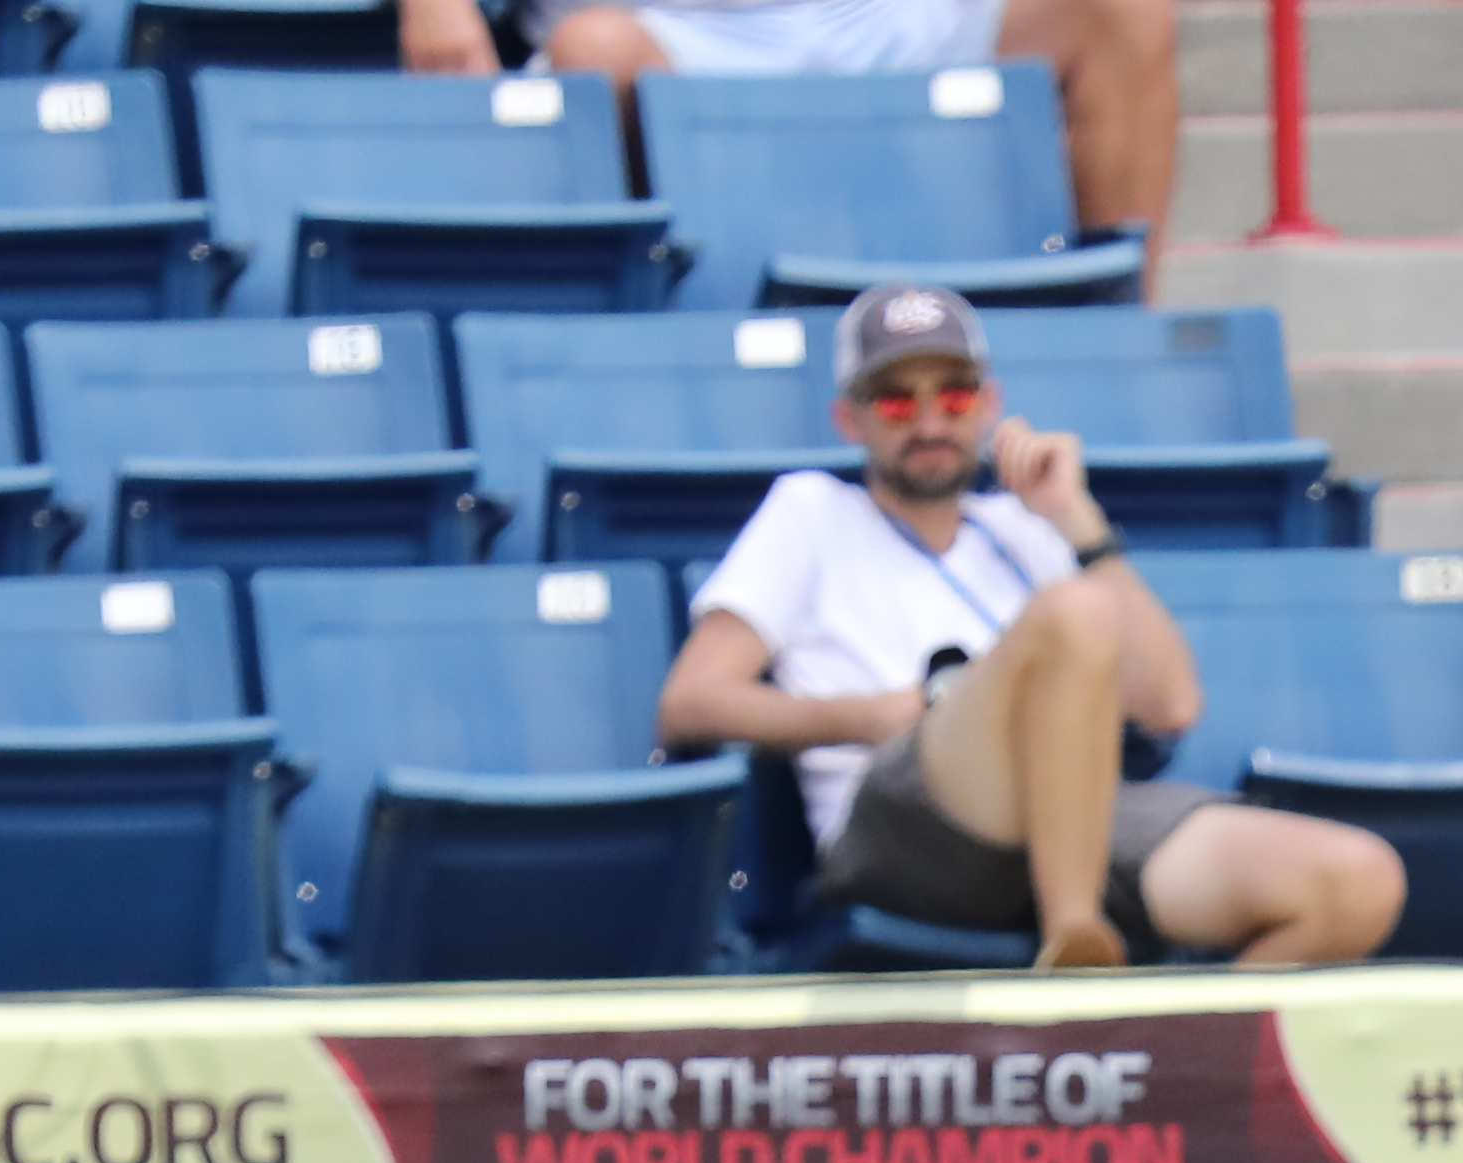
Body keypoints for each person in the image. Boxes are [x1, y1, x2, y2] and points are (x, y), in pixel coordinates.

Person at [658, 284, 1403, 973]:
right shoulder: (811, 511)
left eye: (953, 396)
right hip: (900, 819)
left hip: (1070, 812)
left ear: (989, 404)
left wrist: (1079, 522)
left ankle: (1176, 1075)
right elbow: (691, 702)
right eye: (894, 401)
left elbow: (1171, 706)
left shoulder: (1027, 527)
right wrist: (877, 715)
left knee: (1357, 883)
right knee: (1074, 615)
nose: (927, 422)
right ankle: (1073, 940)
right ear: (848, 417)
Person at [426, 0, 1178, 242]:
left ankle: (1118, 336)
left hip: (877, 19)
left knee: (1123, 10)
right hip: (674, 31)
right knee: (592, 55)